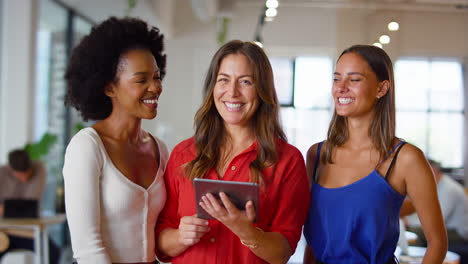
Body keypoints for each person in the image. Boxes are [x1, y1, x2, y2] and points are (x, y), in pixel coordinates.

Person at [155, 40, 310, 264]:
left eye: (245, 81)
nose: (232, 92)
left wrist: (247, 232)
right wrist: (180, 236)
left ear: (262, 90)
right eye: (223, 80)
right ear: (213, 88)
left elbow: (282, 252)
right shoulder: (183, 154)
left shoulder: (288, 160)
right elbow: (160, 241)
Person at [302, 45, 448, 264]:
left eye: (354, 79)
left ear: (381, 88)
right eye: (336, 78)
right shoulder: (317, 155)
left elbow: (437, 243)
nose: (341, 88)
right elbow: (314, 244)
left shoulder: (405, 159)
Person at [63, 16, 168, 264]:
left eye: (157, 76)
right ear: (109, 87)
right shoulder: (88, 147)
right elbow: (87, 248)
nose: (155, 87)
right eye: (141, 80)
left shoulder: (159, 149)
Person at [0, 149, 60, 264]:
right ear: (10, 169)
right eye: (20, 175)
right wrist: (21, 208)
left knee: (53, 252)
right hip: (4, 231)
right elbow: (26, 208)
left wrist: (5, 208)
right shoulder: (2, 173)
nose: (24, 178)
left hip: (30, 231)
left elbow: (31, 206)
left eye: (26, 173)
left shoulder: (39, 168)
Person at [403, 159, 468, 259]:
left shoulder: (449, 189)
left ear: (432, 170)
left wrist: (409, 222)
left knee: (414, 231)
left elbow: (438, 218)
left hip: (458, 232)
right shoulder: (438, 185)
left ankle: (415, 259)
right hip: (448, 228)